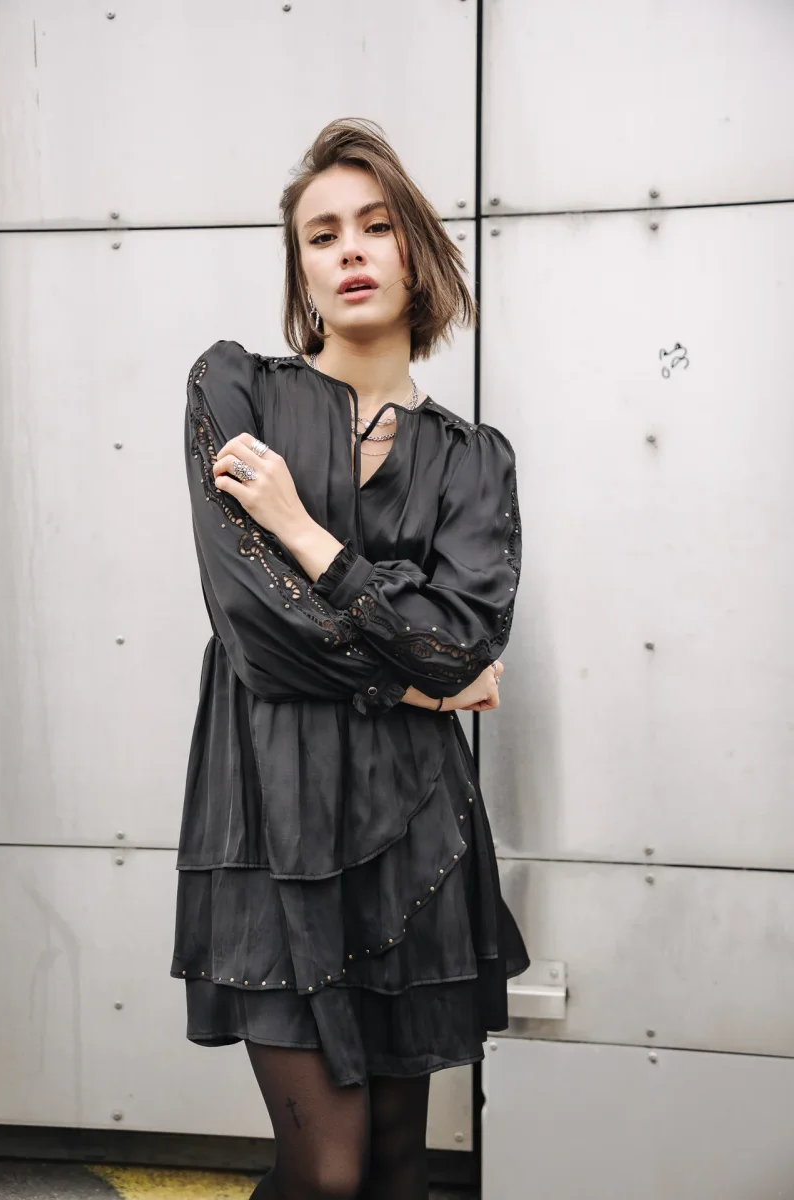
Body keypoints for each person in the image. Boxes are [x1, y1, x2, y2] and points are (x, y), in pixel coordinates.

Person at [171, 117, 529, 1199]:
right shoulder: (234, 390)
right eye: (321, 235)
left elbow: (463, 637)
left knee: (393, 1172)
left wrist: (304, 533)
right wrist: (422, 682)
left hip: (415, 833)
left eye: (375, 225)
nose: (350, 251)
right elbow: (256, 629)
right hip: (268, 819)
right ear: (302, 269)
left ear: (417, 250)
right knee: (324, 1175)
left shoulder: (473, 459)